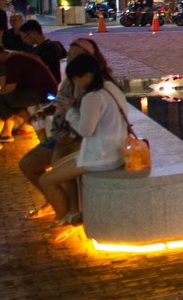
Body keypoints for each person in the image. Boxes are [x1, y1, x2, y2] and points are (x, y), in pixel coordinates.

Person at [19, 37, 115, 219]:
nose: (71, 58)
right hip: (60, 133)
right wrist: (46, 111)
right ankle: (55, 200)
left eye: (76, 55)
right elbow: (62, 102)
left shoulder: (96, 83)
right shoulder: (71, 78)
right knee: (28, 165)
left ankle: (68, 215)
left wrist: (70, 132)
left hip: (76, 137)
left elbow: (87, 120)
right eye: (69, 54)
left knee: (59, 170)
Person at [36, 52, 129, 228]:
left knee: (46, 180)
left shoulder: (93, 97)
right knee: (59, 166)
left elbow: (85, 131)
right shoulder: (111, 87)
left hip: (101, 156)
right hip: (115, 150)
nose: (75, 83)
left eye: (76, 79)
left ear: (87, 75)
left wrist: (70, 111)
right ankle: (73, 212)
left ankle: (63, 219)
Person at [0, 42, 60, 152]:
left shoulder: (12, 61)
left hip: (42, 93)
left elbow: (10, 87)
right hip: (42, 90)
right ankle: (5, 135)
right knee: (5, 100)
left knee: (0, 101)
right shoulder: (15, 56)